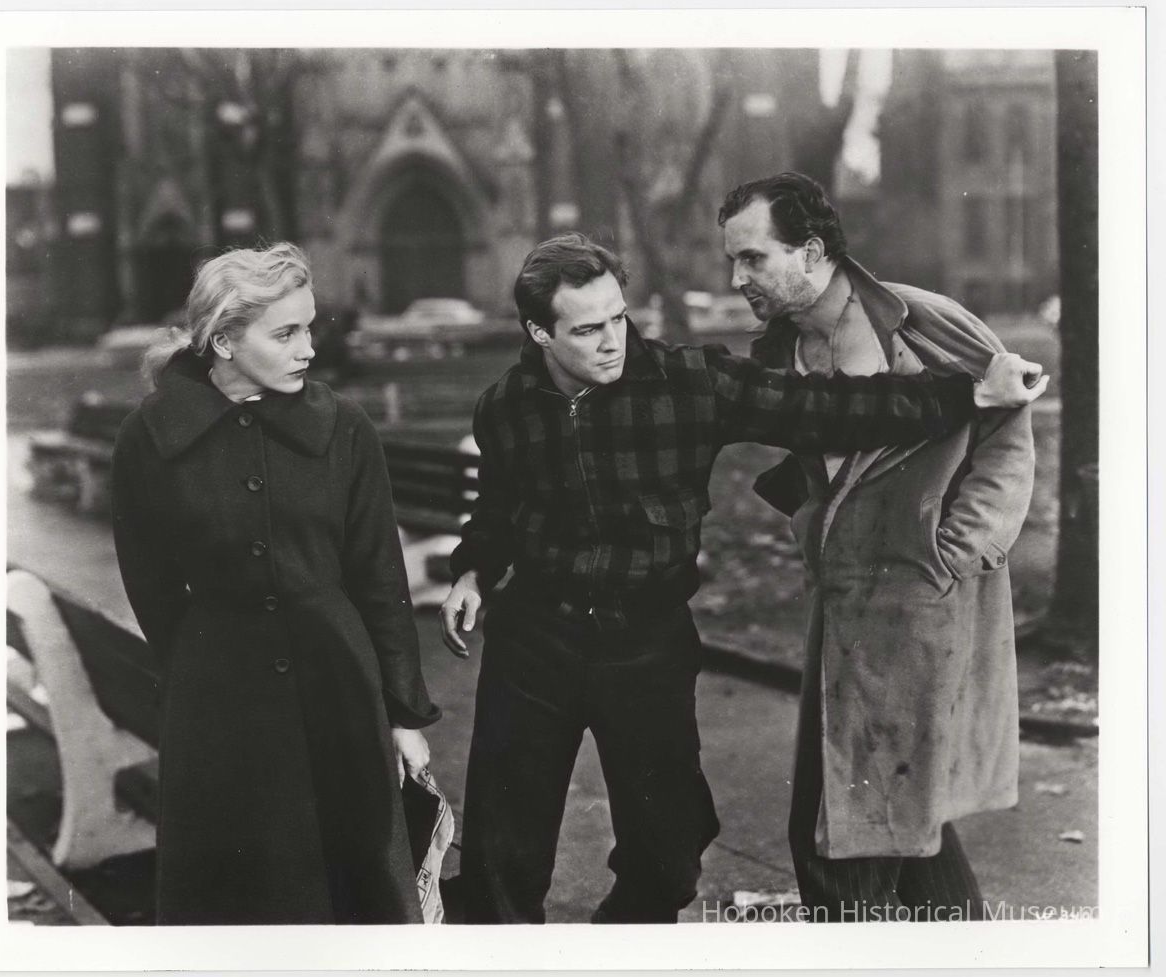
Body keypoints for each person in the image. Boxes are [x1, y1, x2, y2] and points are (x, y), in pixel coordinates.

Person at [438, 233, 1047, 924]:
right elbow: (498, 508)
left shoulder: (688, 383)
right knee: (500, 862)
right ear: (539, 333)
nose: (612, 341)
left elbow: (829, 407)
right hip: (534, 642)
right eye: (587, 330)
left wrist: (969, 392)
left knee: (668, 857)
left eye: (618, 317)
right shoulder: (505, 406)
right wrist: (472, 570)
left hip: (644, 643)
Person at [719, 172, 1038, 920]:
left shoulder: (921, 322)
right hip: (840, 603)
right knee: (896, 818)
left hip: (923, 601)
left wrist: (956, 550)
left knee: (842, 839)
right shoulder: (779, 352)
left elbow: (1009, 425)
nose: (737, 279)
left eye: (753, 258)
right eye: (733, 261)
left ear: (811, 251)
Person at [112, 243, 440, 925]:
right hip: (218, 701)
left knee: (356, 895)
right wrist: (202, 668)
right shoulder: (150, 436)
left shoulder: (344, 428)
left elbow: (380, 577)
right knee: (240, 901)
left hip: (339, 687)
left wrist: (404, 713)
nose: (309, 349)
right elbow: (150, 582)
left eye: (309, 328)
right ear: (224, 340)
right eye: (286, 333)